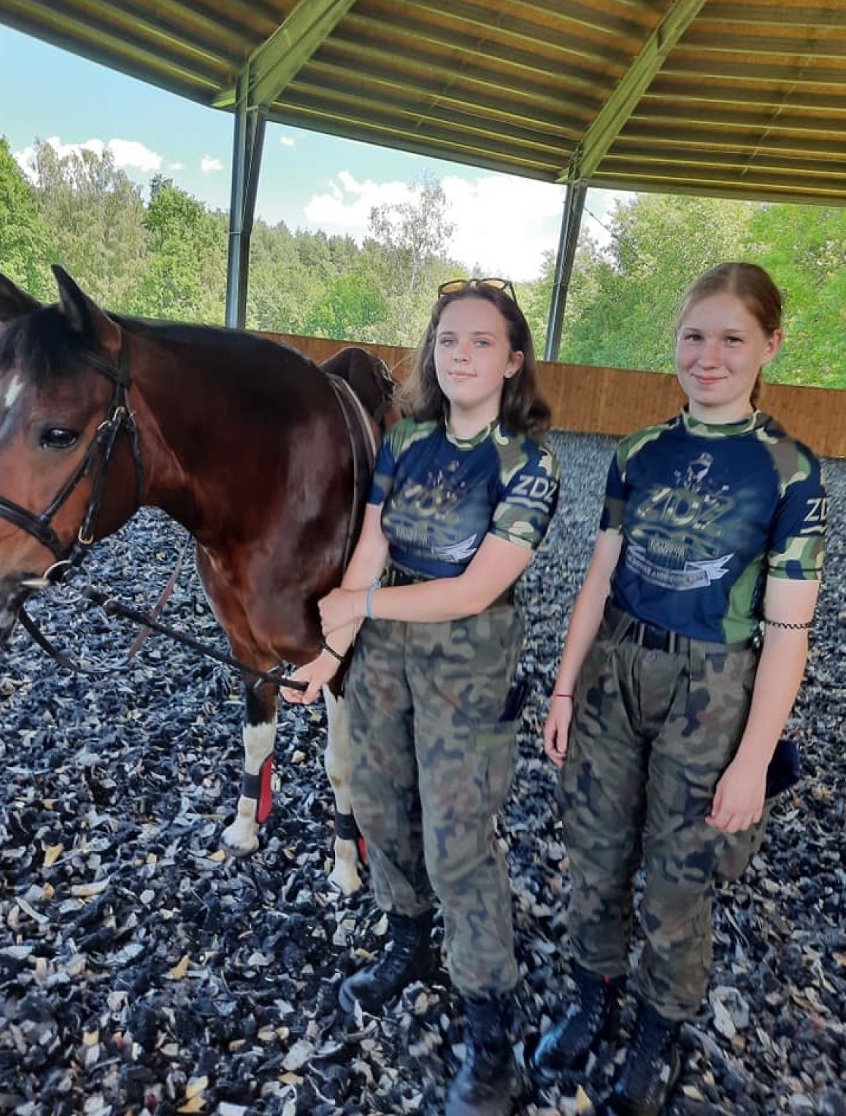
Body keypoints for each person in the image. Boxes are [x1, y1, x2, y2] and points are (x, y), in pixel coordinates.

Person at [529, 263, 827, 1116]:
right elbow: (597, 580)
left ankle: (660, 1028)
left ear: (769, 345)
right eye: (694, 336)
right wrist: (562, 689)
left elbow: (787, 631)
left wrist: (755, 758)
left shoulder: (791, 474)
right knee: (594, 850)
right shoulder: (637, 452)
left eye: (732, 339)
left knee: (680, 872)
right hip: (615, 669)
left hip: (715, 686)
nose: (709, 356)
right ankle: (598, 991)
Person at [281, 278, 560, 1116]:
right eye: (447, 341)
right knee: (377, 804)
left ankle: (489, 1033)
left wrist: (356, 609)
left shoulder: (531, 464)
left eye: (480, 342)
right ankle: (408, 938)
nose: (461, 355)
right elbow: (372, 549)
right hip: (383, 655)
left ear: (513, 361)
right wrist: (328, 658)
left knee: (460, 842)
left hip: (465, 657)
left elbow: (474, 589)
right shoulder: (406, 445)